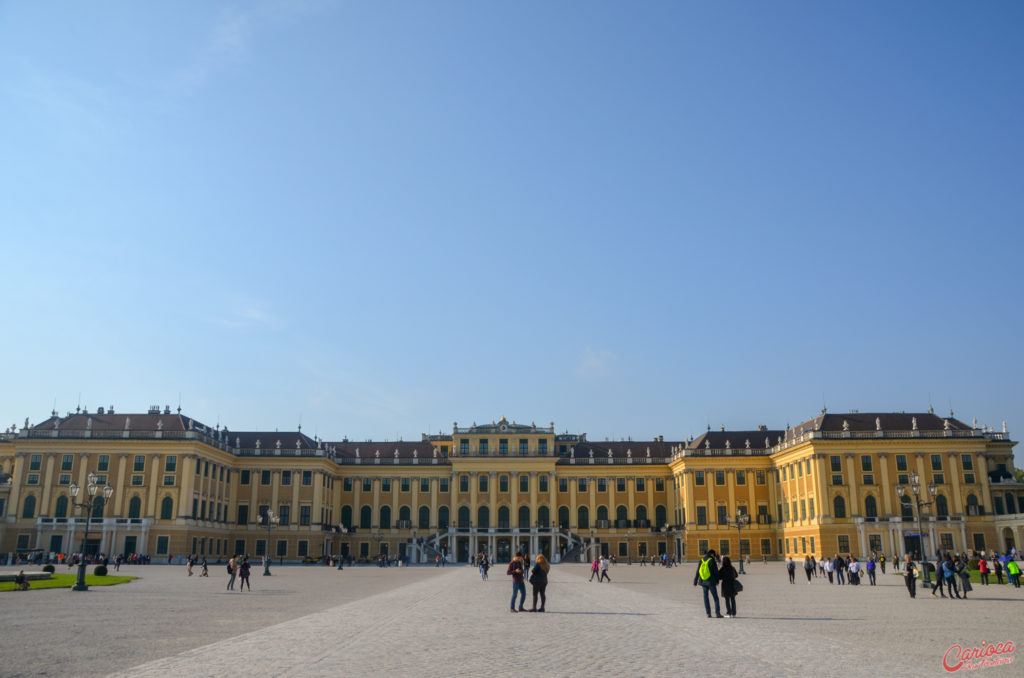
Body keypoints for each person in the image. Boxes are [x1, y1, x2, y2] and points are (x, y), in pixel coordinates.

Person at [694, 549, 723, 618]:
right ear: (712, 554)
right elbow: (716, 572)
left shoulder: (702, 560)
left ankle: (708, 613)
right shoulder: (711, 560)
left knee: (706, 597)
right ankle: (717, 613)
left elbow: (698, 571)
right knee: (715, 597)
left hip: (703, 581)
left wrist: (695, 581)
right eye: (714, 555)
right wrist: (717, 581)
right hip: (711, 582)